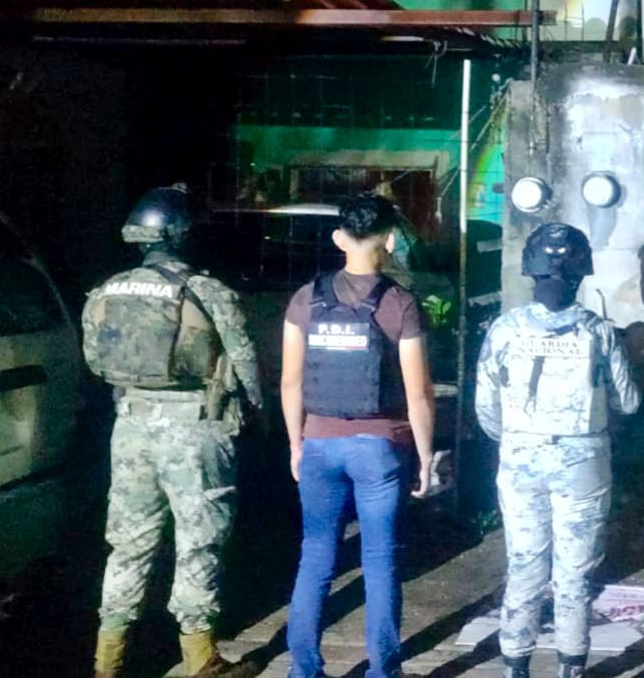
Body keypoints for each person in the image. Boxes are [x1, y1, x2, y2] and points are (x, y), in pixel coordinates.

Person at [83, 184, 261, 678]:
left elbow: (95, 360)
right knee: (199, 541)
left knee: (128, 543)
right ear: (183, 234)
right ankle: (201, 658)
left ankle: (107, 662)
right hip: (196, 430)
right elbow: (245, 361)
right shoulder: (207, 291)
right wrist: (258, 414)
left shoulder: (106, 291)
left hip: (131, 427)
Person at [280, 194, 436, 678]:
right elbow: (419, 393)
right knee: (380, 560)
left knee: (316, 557)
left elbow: (290, 382)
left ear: (338, 238)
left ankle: (303, 669)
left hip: (318, 444)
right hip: (380, 450)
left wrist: (296, 444)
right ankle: (383, 670)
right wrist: (425, 457)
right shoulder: (400, 304)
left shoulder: (305, 299)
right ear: (389, 241)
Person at [476, 222, 639, 678]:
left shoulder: (504, 330)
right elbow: (628, 401)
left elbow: (485, 407)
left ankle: (515, 665)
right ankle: (571, 665)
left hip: (521, 457)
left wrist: (517, 439)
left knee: (524, 563)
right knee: (575, 573)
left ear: (531, 271)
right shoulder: (598, 331)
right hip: (583, 461)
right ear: (581, 273)